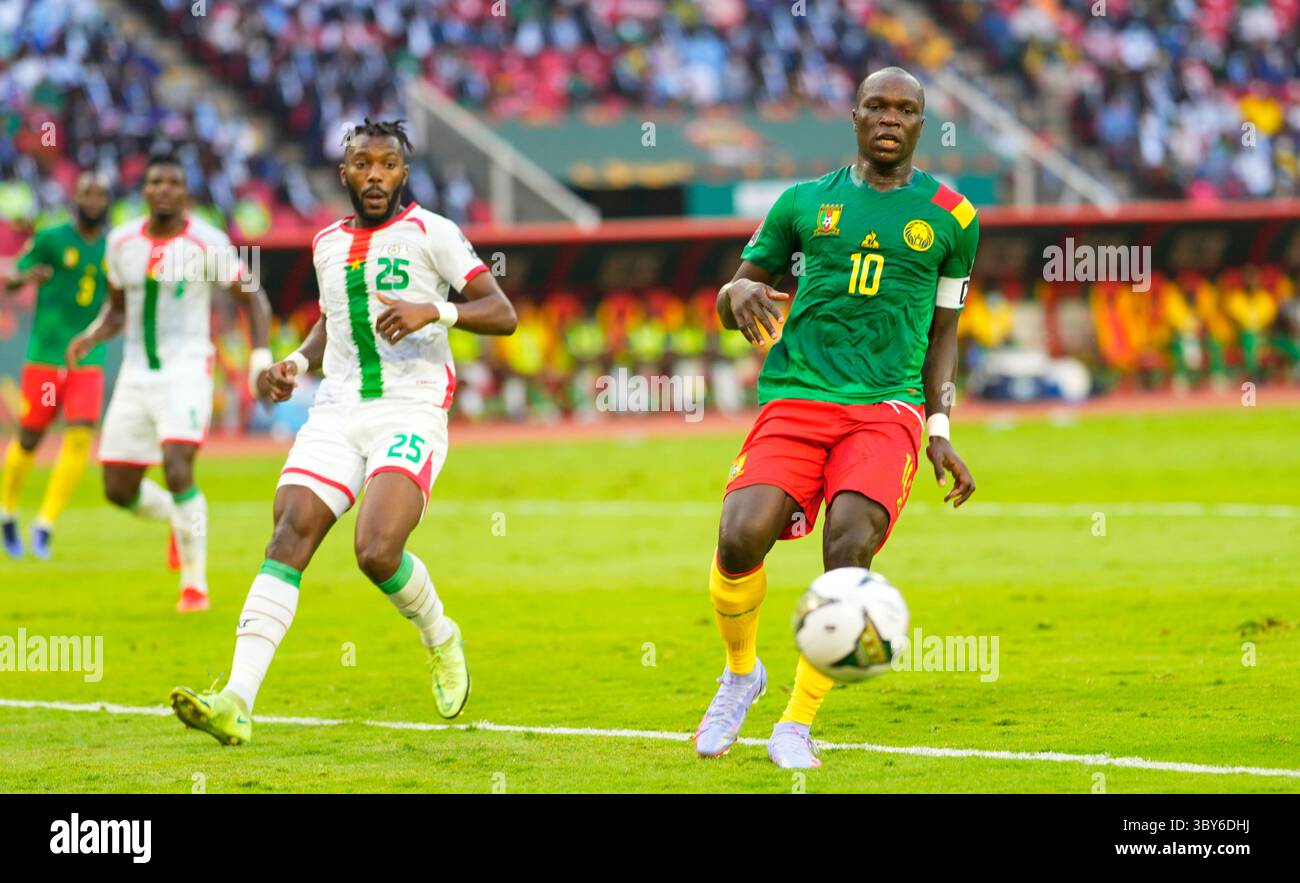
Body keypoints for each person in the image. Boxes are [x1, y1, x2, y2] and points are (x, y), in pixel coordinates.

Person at [169, 119, 517, 745]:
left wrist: (433, 310)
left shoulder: (433, 232)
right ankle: (236, 701)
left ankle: (440, 636)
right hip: (336, 408)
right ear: (345, 173)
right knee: (288, 530)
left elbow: (503, 313)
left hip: (410, 407)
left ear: (403, 172)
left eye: (388, 164)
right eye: (363, 164)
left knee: (376, 550)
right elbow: (332, 321)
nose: (376, 174)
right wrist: (296, 364)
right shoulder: (327, 242)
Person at [694, 68, 979, 769]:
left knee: (848, 544)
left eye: (905, 110)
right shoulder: (801, 203)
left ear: (921, 124)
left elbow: (945, 333)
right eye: (877, 106)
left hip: (885, 410)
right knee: (739, 536)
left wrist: (939, 430)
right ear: (854, 116)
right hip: (797, 396)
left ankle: (796, 720)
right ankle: (741, 674)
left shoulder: (955, 216)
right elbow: (737, 302)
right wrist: (736, 291)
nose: (890, 118)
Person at [66, 150, 273, 612]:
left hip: (187, 369)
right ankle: (179, 524)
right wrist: (91, 335)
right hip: (137, 373)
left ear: (185, 192)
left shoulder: (209, 241)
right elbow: (118, 310)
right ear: (144, 191)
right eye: (155, 181)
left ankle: (194, 587)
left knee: (178, 467)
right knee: (117, 489)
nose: (163, 189)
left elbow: (254, 298)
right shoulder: (120, 243)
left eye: (172, 182)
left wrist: (260, 360)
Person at [1, 172, 111, 559]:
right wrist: (25, 278)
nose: (94, 200)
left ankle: (45, 522)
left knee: (81, 434)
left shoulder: (112, 248)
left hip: (87, 356)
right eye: (87, 193)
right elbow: (13, 276)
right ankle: (7, 510)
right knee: (30, 436)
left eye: (100, 194)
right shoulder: (51, 239)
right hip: (46, 354)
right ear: (75, 199)